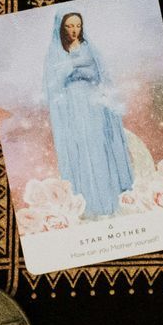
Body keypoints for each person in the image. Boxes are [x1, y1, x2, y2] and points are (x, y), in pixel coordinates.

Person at [42, 11, 134, 218]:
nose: (74, 30)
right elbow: (53, 83)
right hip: (71, 109)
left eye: (77, 25)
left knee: (98, 148)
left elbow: (97, 75)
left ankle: (108, 202)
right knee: (80, 150)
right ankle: (89, 205)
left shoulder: (88, 48)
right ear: (61, 28)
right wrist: (71, 69)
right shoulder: (55, 53)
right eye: (69, 26)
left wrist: (73, 70)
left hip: (93, 106)